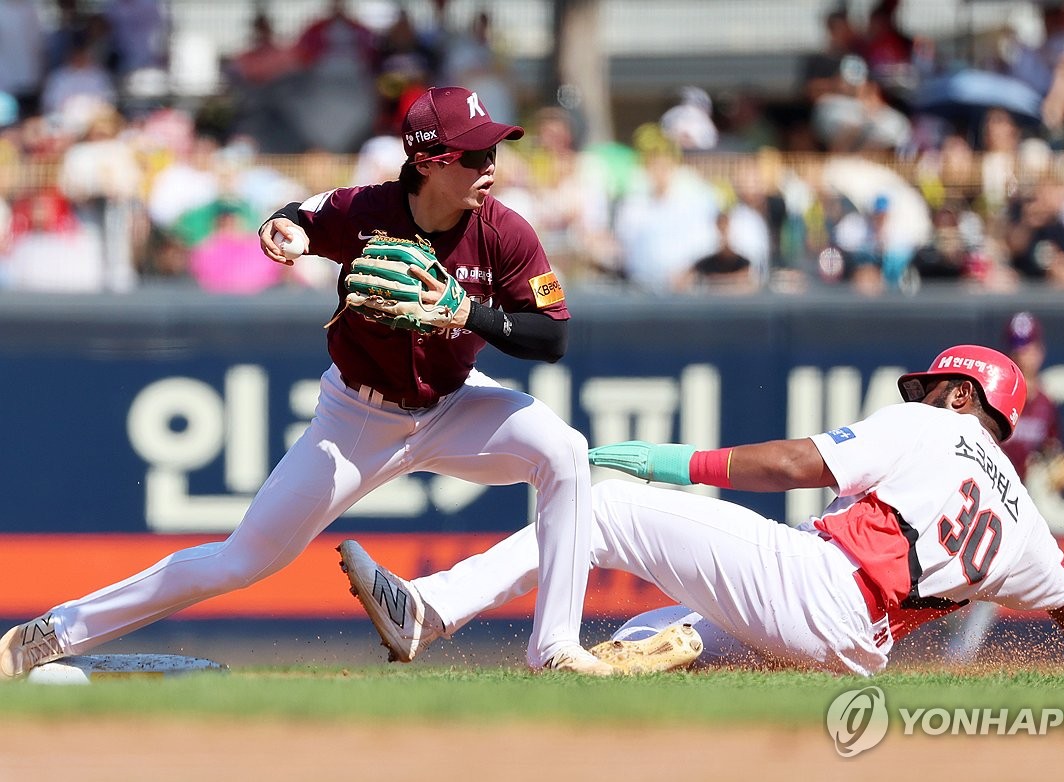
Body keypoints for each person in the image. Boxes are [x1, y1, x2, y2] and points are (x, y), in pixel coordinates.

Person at [0, 86, 609, 679]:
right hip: (358, 419)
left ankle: (555, 644)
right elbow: (297, 217)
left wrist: (468, 312)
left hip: (454, 405)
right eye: (476, 155)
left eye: (494, 151)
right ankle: (51, 633)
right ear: (427, 161)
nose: (491, 167)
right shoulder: (364, 210)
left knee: (566, 453)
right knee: (238, 562)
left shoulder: (505, 231)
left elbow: (551, 336)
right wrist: (281, 232)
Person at [333, 345, 1064, 676]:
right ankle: (591, 683)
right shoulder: (1021, 513)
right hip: (852, 650)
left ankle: (429, 612)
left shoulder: (930, 424)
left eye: (931, 385)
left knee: (611, 506)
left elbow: (800, 463)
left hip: (818, 588)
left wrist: (680, 464)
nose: (921, 393)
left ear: (958, 391)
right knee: (668, 634)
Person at [944, 313, 1064, 663]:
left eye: (1028, 346)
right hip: (965, 496)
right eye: (1017, 347)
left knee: (990, 579)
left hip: (1002, 505)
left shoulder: (1046, 405)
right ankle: (935, 649)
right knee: (950, 588)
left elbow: (1053, 454)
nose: (1023, 355)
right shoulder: (991, 397)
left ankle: (956, 660)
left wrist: (1062, 470)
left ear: (1041, 350)